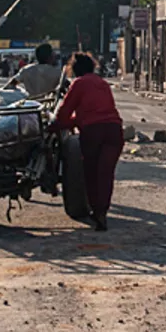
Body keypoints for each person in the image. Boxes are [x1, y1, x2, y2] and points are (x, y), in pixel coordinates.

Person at [52, 52, 123, 231]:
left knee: (91, 173)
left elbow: (64, 112)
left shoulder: (79, 84)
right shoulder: (102, 83)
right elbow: (101, 110)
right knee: (106, 174)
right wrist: (76, 120)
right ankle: (102, 212)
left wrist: (56, 125)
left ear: (75, 70)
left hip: (93, 132)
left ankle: (96, 211)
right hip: (114, 131)